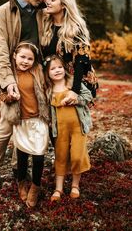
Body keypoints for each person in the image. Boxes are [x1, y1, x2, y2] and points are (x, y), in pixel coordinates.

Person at [0, 0, 58, 190]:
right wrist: (8, 81)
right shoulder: (3, 12)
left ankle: (20, 170)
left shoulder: (42, 14)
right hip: (10, 73)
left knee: (30, 121)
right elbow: (0, 52)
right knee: (6, 125)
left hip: (36, 76)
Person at [44, 55, 92, 201]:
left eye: (59, 67)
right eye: (53, 69)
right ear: (47, 73)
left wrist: (76, 99)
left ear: (64, 68)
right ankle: (58, 189)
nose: (57, 70)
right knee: (61, 157)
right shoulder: (48, 90)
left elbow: (88, 96)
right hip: (60, 130)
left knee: (77, 156)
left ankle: (75, 185)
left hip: (78, 126)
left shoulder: (72, 82)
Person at [7, 42, 50, 207]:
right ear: (15, 56)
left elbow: (49, 85)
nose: (25, 61)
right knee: (22, 155)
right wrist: (10, 97)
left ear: (34, 60)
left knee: (39, 155)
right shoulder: (10, 74)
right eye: (22, 57)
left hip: (38, 120)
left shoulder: (37, 71)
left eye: (30, 58)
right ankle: (21, 183)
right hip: (21, 121)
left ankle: (36, 186)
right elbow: (2, 94)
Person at [41, 0, 98, 104]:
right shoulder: (46, 26)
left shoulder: (76, 28)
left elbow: (82, 61)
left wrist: (75, 90)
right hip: (54, 82)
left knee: (73, 120)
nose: (48, 2)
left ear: (63, 5)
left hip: (76, 82)